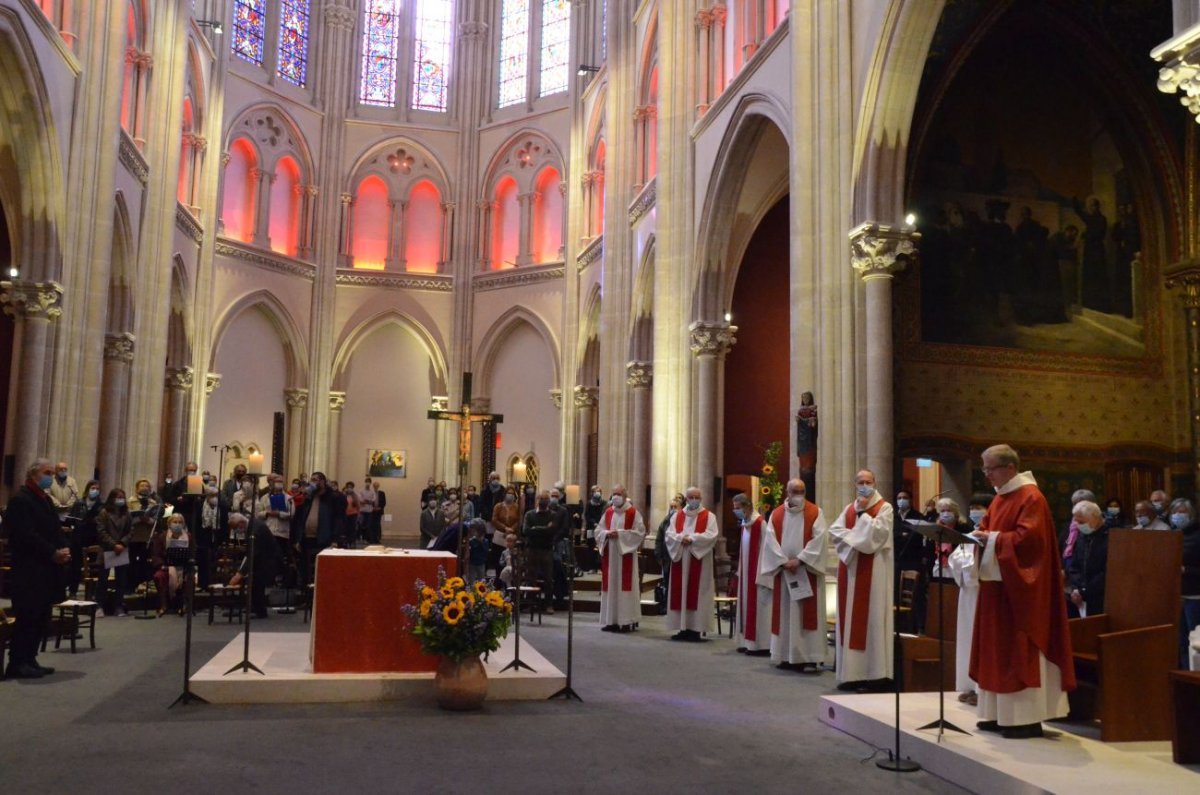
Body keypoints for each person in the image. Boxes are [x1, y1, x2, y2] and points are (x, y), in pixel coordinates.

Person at [970, 444, 1075, 740]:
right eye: (985, 469)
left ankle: (1024, 718)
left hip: (1021, 593)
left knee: (1018, 649)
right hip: (998, 589)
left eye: (990, 468)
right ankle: (996, 713)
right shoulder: (1000, 498)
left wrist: (990, 540)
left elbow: (1029, 543)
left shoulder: (1031, 497)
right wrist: (982, 539)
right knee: (995, 649)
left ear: (1010, 468)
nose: (987, 474)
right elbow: (993, 533)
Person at [827, 469, 894, 691]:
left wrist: (863, 517)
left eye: (868, 482)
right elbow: (835, 531)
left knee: (873, 621)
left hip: (874, 573)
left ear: (875, 482)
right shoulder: (849, 508)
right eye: (860, 482)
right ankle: (853, 675)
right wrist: (857, 534)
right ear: (854, 484)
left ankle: (875, 676)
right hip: (851, 569)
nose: (864, 485)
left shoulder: (884, 507)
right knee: (850, 621)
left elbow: (876, 537)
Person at [4, 459, 70, 679]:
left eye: (51, 473)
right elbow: (26, 535)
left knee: (41, 616)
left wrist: (64, 548)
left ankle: (30, 659)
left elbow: (54, 528)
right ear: (33, 475)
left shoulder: (45, 500)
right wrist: (52, 552)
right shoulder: (21, 500)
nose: (50, 477)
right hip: (29, 570)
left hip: (46, 570)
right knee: (28, 617)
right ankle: (17, 662)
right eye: (47, 473)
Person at [760, 478, 828, 673]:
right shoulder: (777, 514)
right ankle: (785, 655)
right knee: (785, 614)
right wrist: (782, 561)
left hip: (807, 571)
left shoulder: (816, 512)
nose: (798, 495)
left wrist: (800, 560)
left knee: (806, 614)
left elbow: (820, 539)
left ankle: (809, 657)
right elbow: (770, 540)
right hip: (784, 572)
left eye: (801, 491)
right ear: (787, 493)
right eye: (794, 491)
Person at [664, 486, 719, 642]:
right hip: (681, 558)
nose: (695, 500)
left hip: (699, 560)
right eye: (692, 497)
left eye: (697, 497)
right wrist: (682, 539)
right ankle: (683, 628)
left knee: (698, 592)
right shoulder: (677, 516)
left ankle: (696, 629)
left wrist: (692, 539)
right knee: (681, 592)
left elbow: (712, 535)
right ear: (686, 499)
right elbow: (669, 534)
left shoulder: (709, 516)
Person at [949, 496, 988, 706]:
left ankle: (981, 687)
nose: (974, 511)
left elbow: (980, 564)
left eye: (979, 508)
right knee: (966, 637)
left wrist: (968, 568)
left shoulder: (988, 535)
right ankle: (968, 685)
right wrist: (964, 567)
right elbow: (955, 558)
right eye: (972, 508)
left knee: (979, 638)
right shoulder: (968, 535)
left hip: (981, 592)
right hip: (967, 594)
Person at [594, 484, 646, 632]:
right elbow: (599, 530)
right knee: (610, 587)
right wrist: (606, 534)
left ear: (624, 495)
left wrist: (620, 534)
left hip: (625, 556)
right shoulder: (608, 512)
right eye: (613, 494)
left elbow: (640, 532)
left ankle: (625, 621)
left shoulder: (633, 513)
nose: (615, 497)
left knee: (624, 588)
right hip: (610, 556)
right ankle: (611, 621)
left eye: (618, 494)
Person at [731, 493, 770, 655]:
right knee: (745, 607)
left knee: (759, 609)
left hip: (758, 573)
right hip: (746, 574)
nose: (736, 512)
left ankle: (760, 645)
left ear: (747, 507)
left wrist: (762, 572)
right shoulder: (745, 524)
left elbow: (768, 548)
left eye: (738, 508)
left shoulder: (760, 523)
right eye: (735, 509)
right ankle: (746, 641)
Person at [292, 472, 345, 585]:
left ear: (322, 482)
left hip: (324, 538)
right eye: (312, 480)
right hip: (307, 538)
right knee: (305, 569)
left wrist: (335, 539)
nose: (313, 482)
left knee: (321, 570)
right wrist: (297, 539)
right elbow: (301, 518)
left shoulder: (333, 497)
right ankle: (306, 594)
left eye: (315, 480)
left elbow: (338, 519)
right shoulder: (309, 497)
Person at [227, 513, 280, 619]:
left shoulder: (255, 530)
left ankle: (260, 611)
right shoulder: (252, 525)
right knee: (254, 584)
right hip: (262, 558)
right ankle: (254, 608)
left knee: (257, 584)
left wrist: (240, 573)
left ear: (241, 523)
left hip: (267, 560)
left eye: (236, 528)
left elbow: (253, 553)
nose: (237, 531)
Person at [894, 488, 931, 634]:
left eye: (904, 497)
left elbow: (915, 538)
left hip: (913, 561)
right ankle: (899, 626)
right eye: (899, 497)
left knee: (916, 596)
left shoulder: (918, 517)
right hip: (897, 560)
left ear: (910, 500)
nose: (901, 500)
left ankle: (917, 626)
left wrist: (901, 536)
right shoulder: (893, 517)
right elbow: (893, 537)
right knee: (896, 594)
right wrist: (900, 536)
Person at [1066, 500, 1109, 618]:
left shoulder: (1111, 536)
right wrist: (1076, 589)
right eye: (1076, 521)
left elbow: (1107, 571)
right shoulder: (1082, 536)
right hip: (1081, 596)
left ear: (1095, 518)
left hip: (1102, 597)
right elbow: (1074, 566)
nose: (1078, 525)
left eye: (1081, 521)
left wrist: (1085, 591)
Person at [96, 488, 133, 617]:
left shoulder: (126, 513)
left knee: (121, 580)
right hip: (107, 549)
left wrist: (122, 543)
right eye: (118, 497)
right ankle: (99, 606)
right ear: (112, 498)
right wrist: (114, 544)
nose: (120, 499)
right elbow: (101, 532)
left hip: (121, 549)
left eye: (122, 497)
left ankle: (118, 606)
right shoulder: (104, 513)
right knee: (103, 580)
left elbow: (131, 531)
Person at [521, 490, 558, 612]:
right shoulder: (529, 514)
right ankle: (530, 604)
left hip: (546, 549)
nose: (544, 501)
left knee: (548, 578)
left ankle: (548, 604)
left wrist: (535, 529)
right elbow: (526, 531)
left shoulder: (553, 515)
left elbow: (552, 531)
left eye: (546, 498)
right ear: (537, 500)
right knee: (530, 577)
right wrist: (543, 529)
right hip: (532, 549)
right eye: (541, 498)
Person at [1173, 498, 1200, 667]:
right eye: (1174, 512)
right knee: (1181, 641)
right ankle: (1185, 676)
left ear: (1191, 515)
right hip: (1176, 596)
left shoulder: (1197, 536)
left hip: (1195, 597)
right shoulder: (1172, 535)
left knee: (1195, 642)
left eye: (1182, 512)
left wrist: (1186, 570)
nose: (1177, 516)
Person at [150, 512, 192, 616]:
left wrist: (189, 563)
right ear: (169, 524)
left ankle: (184, 605)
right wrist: (162, 565)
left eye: (180, 522)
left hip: (184, 567)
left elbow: (193, 553)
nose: (177, 524)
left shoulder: (189, 537)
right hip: (166, 566)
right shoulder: (162, 537)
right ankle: (164, 605)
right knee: (159, 576)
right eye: (175, 522)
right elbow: (156, 555)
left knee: (189, 577)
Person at [654, 493, 684, 614]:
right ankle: (666, 605)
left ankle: (677, 606)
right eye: (671, 507)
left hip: (679, 558)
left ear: (681, 508)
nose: (672, 509)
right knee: (667, 583)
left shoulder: (683, 520)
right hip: (667, 558)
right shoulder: (665, 521)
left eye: (675, 507)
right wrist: (658, 555)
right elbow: (659, 539)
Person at [256, 474, 295, 568]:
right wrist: (268, 513)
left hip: (282, 533)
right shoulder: (265, 497)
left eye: (280, 482)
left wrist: (279, 514)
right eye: (276, 482)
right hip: (269, 530)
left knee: (280, 556)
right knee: (268, 557)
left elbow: (291, 514)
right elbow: (258, 513)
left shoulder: (288, 498)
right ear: (272, 483)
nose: (278, 484)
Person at [196, 486, 228, 588]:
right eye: (212, 495)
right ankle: (203, 584)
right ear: (207, 496)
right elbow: (197, 522)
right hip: (203, 535)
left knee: (214, 560)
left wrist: (223, 537)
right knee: (203, 561)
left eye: (216, 495)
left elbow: (224, 523)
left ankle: (213, 583)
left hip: (217, 536)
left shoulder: (222, 506)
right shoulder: (200, 505)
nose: (214, 497)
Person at [357, 477, 378, 544]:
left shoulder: (372, 492)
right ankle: (360, 538)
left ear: (370, 483)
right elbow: (360, 500)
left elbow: (373, 500)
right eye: (366, 481)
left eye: (369, 482)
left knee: (368, 526)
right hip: (362, 510)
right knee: (361, 525)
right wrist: (366, 501)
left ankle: (366, 539)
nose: (367, 483)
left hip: (369, 511)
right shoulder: (361, 490)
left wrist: (367, 501)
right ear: (365, 482)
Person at [584, 486, 606, 551]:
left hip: (601, 527)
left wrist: (599, 523)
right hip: (590, 528)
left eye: (598, 491)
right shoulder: (589, 503)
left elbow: (604, 514)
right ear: (592, 493)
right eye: (595, 491)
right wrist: (594, 523)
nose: (597, 493)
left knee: (600, 545)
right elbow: (587, 516)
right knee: (590, 546)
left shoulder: (604, 503)